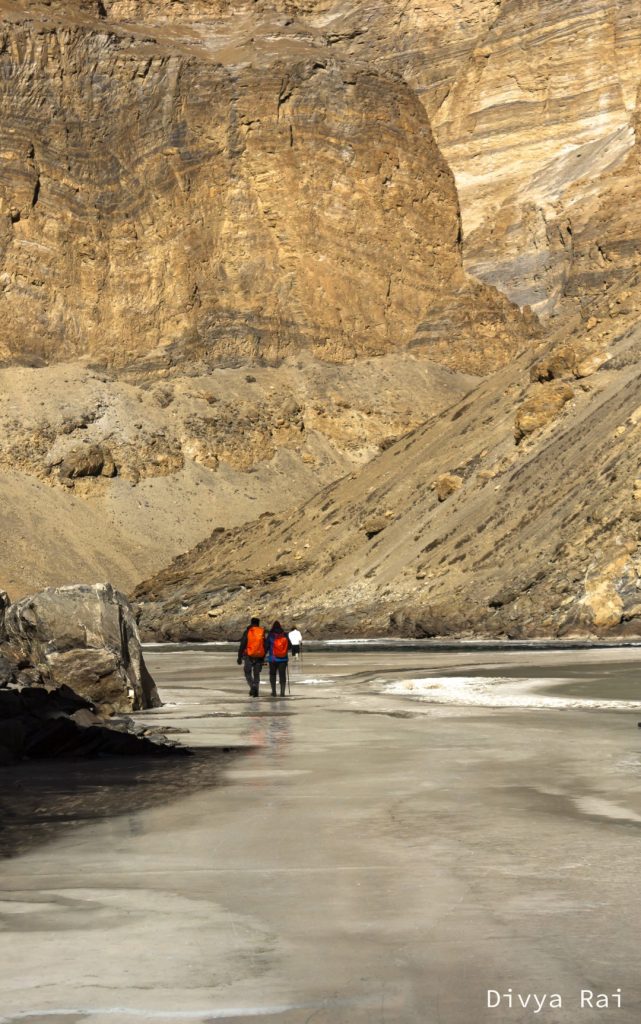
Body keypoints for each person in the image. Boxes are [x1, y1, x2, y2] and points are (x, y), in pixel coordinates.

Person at [237, 617, 266, 698]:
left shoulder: (248, 632)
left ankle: (252, 686)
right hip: (259, 656)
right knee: (256, 674)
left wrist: (239, 656)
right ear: (258, 623)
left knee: (247, 672)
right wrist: (263, 657)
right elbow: (264, 645)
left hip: (248, 656)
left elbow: (243, 644)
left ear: (251, 623)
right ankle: (255, 688)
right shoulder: (262, 632)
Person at [265, 620, 291, 696]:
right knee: (282, 675)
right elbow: (289, 646)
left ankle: (274, 691)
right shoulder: (285, 635)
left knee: (273, 675)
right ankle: (282, 693)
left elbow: (266, 646)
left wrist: (263, 654)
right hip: (283, 659)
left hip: (272, 659)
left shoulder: (271, 635)